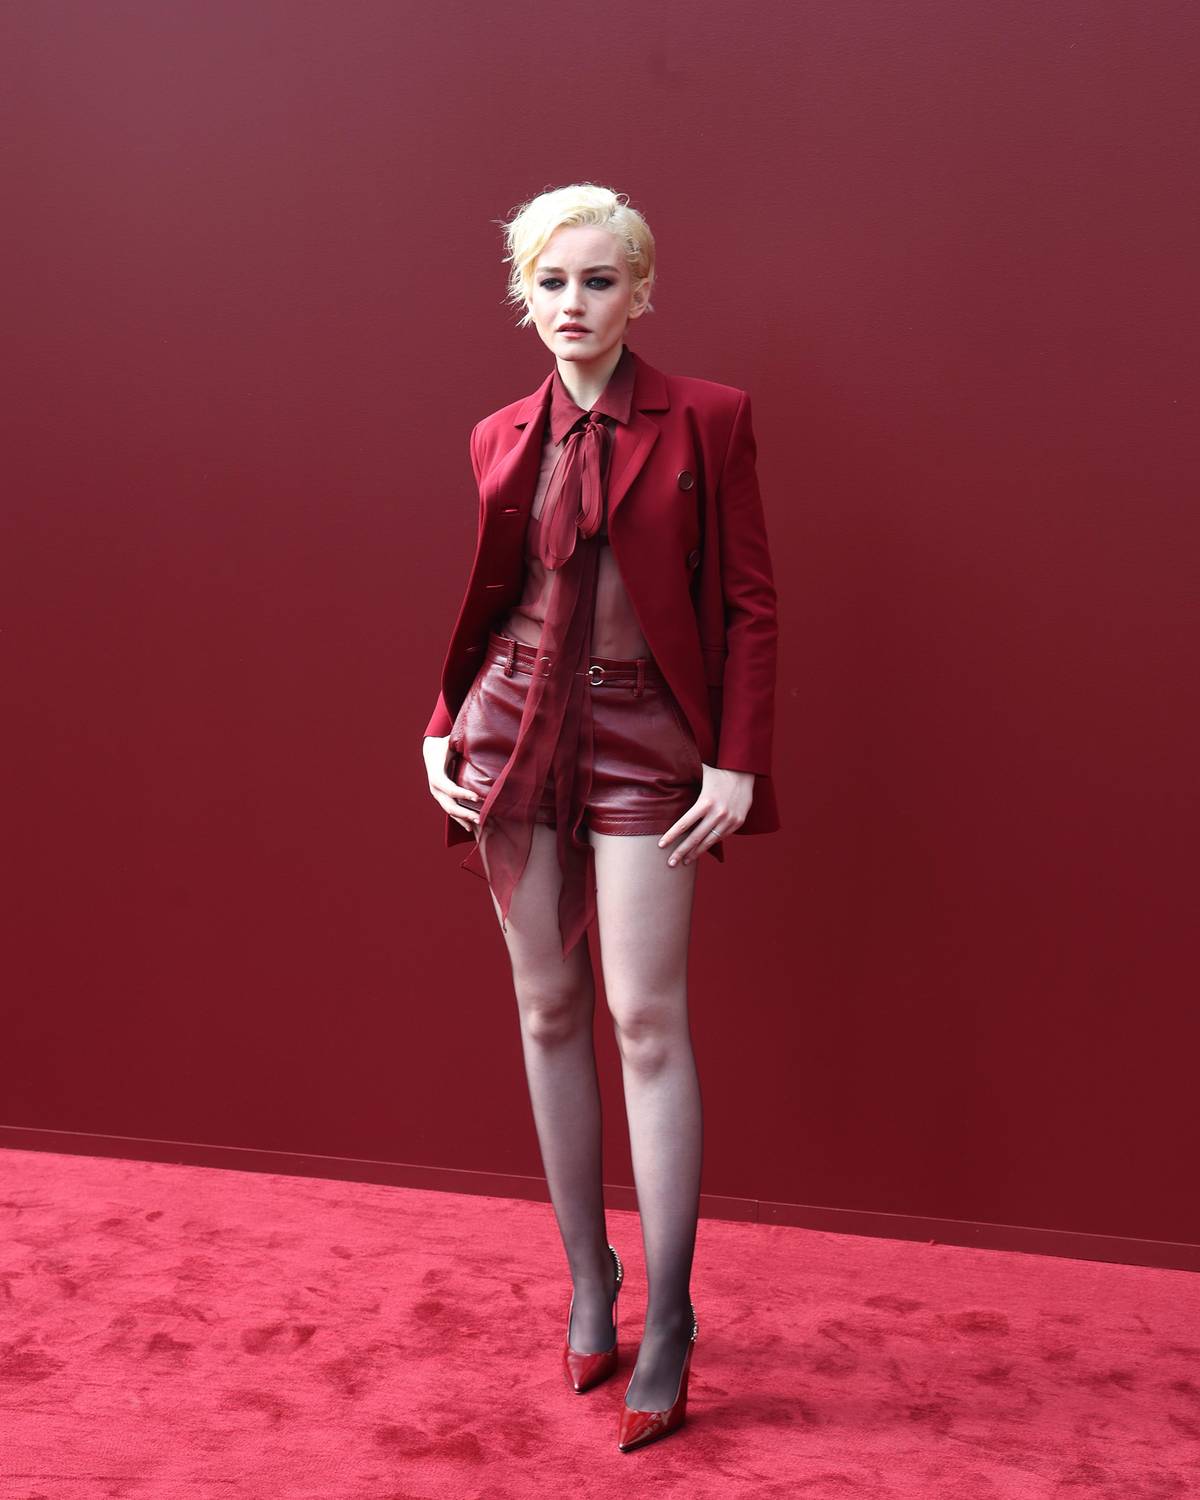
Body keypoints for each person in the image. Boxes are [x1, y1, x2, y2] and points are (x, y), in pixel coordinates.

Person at [421, 183, 779, 1452]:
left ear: (641, 292)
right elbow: (489, 597)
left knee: (645, 1015)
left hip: (646, 741)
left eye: (598, 281)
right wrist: (439, 724)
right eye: (551, 282)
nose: (572, 304)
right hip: (512, 729)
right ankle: (590, 1280)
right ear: (524, 294)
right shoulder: (498, 433)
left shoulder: (710, 419)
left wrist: (736, 760)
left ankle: (670, 1313)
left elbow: (749, 602)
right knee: (547, 1009)